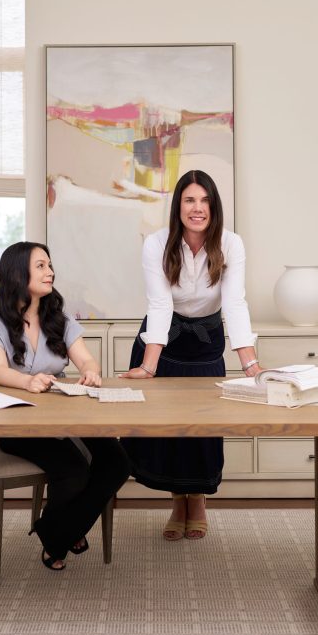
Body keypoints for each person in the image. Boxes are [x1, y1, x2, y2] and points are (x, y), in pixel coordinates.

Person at [121, 169, 262, 541]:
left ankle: (196, 502)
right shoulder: (157, 243)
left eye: (204, 200)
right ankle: (176, 504)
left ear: (214, 206)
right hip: (162, 339)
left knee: (202, 428)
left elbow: (234, 303)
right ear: (178, 206)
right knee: (168, 428)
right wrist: (148, 367)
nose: (197, 208)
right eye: (189, 200)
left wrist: (251, 366)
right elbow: (160, 303)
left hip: (205, 338)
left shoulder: (231, 244)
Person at [0, 241, 130, 571]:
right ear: (17, 273)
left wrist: (91, 371)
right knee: (73, 470)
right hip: (16, 421)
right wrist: (27, 381)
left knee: (117, 462)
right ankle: (62, 538)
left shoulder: (60, 319)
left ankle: (55, 531)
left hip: (67, 414)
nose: (50, 272)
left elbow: (86, 359)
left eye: (50, 265)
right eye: (41, 266)